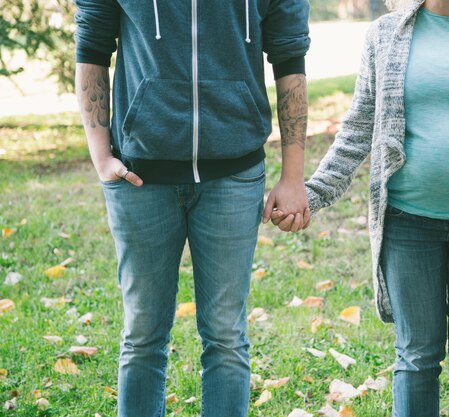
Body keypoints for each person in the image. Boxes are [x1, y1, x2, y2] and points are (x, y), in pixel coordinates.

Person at [295, 0, 449, 415]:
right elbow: (359, 127)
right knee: (415, 358)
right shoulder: (385, 34)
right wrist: (313, 193)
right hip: (407, 223)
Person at [74, 1, 310, 416]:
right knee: (143, 334)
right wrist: (100, 156)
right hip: (138, 177)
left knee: (226, 335)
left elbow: (290, 60)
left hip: (234, 176)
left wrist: (293, 177)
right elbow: (92, 48)